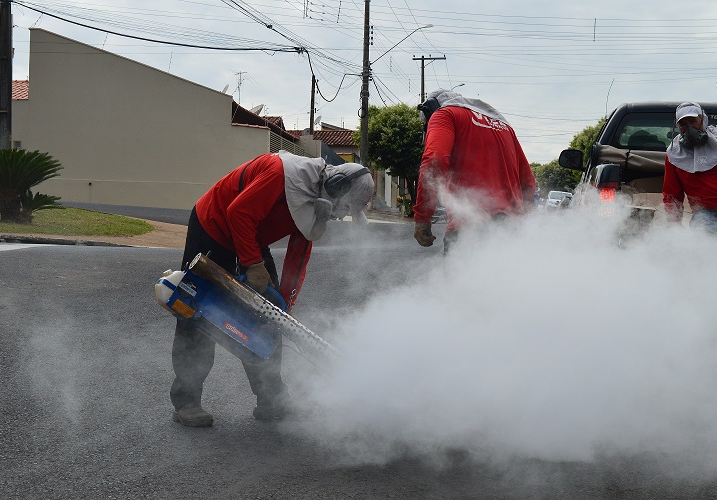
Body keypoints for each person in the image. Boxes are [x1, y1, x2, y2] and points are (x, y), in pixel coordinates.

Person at [170, 150, 374, 427]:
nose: (340, 215)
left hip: (250, 235)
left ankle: (272, 398)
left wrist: (283, 309)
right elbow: (237, 212)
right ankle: (187, 402)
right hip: (215, 225)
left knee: (267, 317)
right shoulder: (282, 174)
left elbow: (298, 255)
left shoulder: (319, 202)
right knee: (198, 309)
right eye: (344, 208)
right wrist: (253, 264)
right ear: (336, 187)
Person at [413, 89, 537, 253]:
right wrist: (520, 219)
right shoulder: (506, 127)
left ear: (432, 107)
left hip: (468, 226)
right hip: (510, 228)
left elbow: (435, 161)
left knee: (460, 278)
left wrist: (423, 217)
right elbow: (528, 182)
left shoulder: (445, 114)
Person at [663, 101, 717, 235]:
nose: (689, 128)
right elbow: (672, 194)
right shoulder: (674, 153)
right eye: (683, 124)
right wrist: (674, 226)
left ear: (703, 119)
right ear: (677, 126)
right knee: (710, 242)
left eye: (693, 121)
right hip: (705, 214)